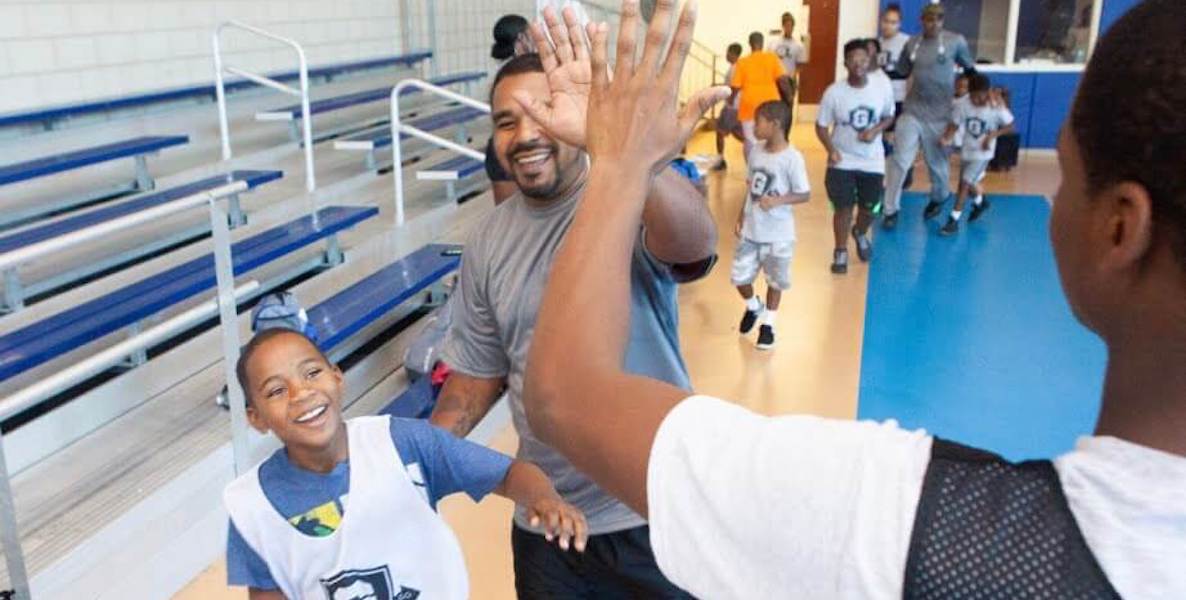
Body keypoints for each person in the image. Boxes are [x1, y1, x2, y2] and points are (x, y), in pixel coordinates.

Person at [523, 0, 1185, 598]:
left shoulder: (911, 530)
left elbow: (565, 395)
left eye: (1066, 175)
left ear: (1120, 228)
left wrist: (619, 160)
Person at [428, 6, 718, 597]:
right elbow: (477, 376)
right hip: (548, 522)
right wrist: (414, 462)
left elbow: (695, 243)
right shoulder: (487, 240)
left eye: (543, 112)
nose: (526, 134)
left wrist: (626, 157)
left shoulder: (622, 195)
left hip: (650, 508)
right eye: (506, 122)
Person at [222, 328, 587, 599]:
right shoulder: (252, 508)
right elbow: (268, 593)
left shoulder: (402, 443)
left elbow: (507, 473)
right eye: (276, 390)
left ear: (337, 376)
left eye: (312, 373)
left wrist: (544, 498)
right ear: (256, 418)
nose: (301, 393)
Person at [881, 3, 975, 229]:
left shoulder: (955, 41)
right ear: (922, 20)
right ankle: (890, 210)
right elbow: (901, 72)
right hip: (912, 111)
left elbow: (971, 71)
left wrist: (981, 95)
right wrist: (875, 72)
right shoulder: (912, 44)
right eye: (929, 19)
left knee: (937, 165)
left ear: (942, 21)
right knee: (900, 161)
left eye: (938, 20)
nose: (933, 24)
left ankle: (939, 197)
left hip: (940, 115)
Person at [731, 100, 810, 350]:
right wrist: (741, 215)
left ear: (775, 125)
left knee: (775, 281)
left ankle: (768, 325)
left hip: (779, 234)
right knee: (739, 278)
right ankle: (754, 306)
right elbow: (750, 187)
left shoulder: (792, 158)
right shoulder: (756, 151)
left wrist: (778, 201)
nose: (754, 127)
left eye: (759, 122)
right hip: (752, 230)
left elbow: (804, 193)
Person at [817, 39, 895, 274]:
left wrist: (875, 131)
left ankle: (860, 232)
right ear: (846, 63)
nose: (859, 63)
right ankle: (840, 251)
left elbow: (889, 116)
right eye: (853, 59)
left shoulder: (881, 87)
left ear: (869, 61)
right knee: (843, 208)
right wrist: (831, 149)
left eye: (863, 58)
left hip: (872, 160)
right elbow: (821, 126)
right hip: (842, 159)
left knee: (869, 209)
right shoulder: (834, 92)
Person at [938, 73, 1015, 236]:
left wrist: (992, 135)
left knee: (964, 184)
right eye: (974, 96)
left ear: (987, 93)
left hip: (983, 154)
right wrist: (946, 138)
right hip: (968, 150)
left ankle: (953, 220)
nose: (978, 100)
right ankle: (981, 202)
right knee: (969, 184)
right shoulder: (962, 105)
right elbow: (954, 124)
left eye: (981, 96)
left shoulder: (996, 106)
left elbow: (1010, 127)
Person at [486, 14, 535, 205]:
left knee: (510, 215)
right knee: (512, 214)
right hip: (513, 146)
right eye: (531, 34)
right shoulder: (516, 74)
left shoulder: (503, 70)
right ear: (521, 39)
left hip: (502, 145)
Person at [731, 31, 786, 161]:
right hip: (770, 106)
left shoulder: (742, 62)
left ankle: (752, 168)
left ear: (750, 44)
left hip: (749, 106)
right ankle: (769, 165)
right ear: (762, 43)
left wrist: (730, 101)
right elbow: (782, 80)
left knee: (751, 140)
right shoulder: (772, 58)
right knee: (770, 139)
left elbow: (736, 87)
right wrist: (787, 98)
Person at [879, 2, 915, 191]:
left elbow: (913, 73)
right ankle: (885, 175)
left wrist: (910, 98)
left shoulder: (907, 43)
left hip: (901, 98)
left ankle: (906, 171)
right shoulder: (876, 43)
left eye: (893, 22)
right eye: (886, 21)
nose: (888, 25)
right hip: (882, 99)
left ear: (899, 24)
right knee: (885, 137)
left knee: (901, 137)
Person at [714, 43, 744, 171]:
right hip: (737, 106)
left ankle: (720, 161)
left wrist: (730, 100)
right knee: (738, 133)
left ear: (733, 53)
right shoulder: (737, 67)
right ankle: (756, 148)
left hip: (731, 107)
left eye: (728, 52)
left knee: (720, 131)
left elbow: (734, 87)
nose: (726, 55)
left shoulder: (734, 69)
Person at [768, 12, 808, 110]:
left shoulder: (798, 45)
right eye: (786, 26)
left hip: (789, 80)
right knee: (774, 107)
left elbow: (801, 64)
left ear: (793, 27)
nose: (788, 28)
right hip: (775, 80)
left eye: (790, 26)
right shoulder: (773, 44)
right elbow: (768, 61)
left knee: (788, 107)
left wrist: (794, 74)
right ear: (783, 26)